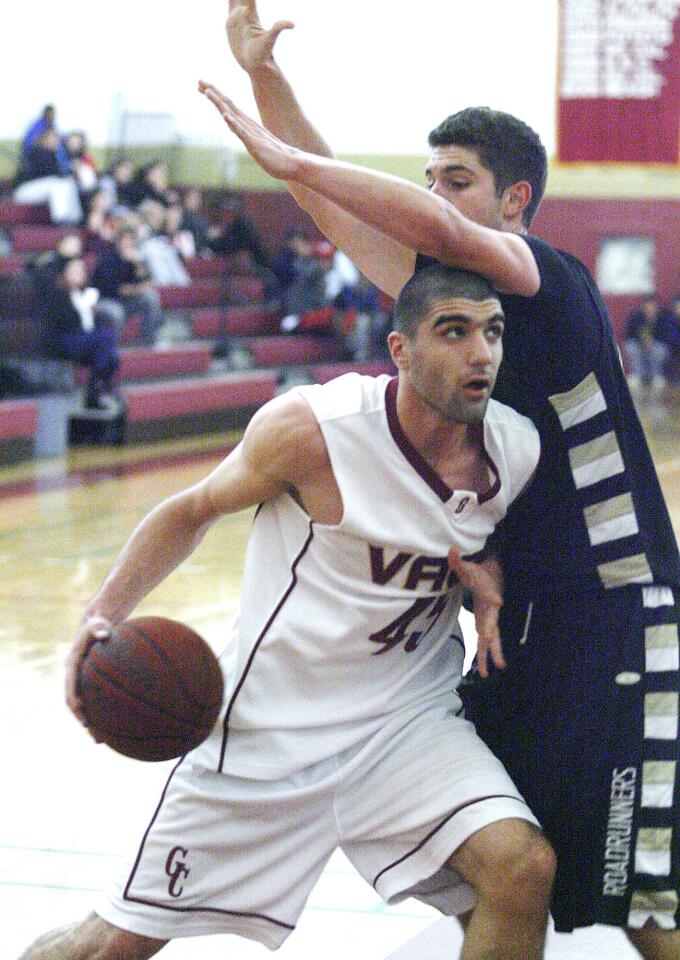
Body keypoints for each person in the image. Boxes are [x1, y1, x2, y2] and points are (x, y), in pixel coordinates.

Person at [198, 5, 680, 957]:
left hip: (617, 615)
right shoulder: (461, 305)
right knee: (510, 870)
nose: (434, 198)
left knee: (647, 897)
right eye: (429, 180)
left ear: (516, 202)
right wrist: (271, 89)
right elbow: (340, 217)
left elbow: (396, 215)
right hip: (527, 631)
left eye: (458, 183)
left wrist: (287, 158)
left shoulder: (546, 276)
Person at [17, 263, 558, 960]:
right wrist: (101, 614)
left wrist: (492, 584)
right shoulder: (313, 430)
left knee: (522, 871)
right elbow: (191, 511)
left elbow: (489, 549)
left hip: (405, 728)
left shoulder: (515, 450)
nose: (481, 353)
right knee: (105, 948)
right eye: (454, 332)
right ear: (400, 349)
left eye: (492, 333)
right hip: (266, 735)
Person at [37, 256, 122, 409]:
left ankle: (96, 391)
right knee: (108, 338)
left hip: (84, 339)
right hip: (65, 339)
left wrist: (91, 311)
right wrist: (82, 308)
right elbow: (60, 322)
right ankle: (95, 391)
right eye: (74, 270)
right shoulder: (58, 294)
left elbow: (93, 325)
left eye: (81, 270)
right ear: (65, 273)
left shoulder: (88, 294)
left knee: (113, 357)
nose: (79, 273)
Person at [91, 221, 163, 346]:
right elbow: (115, 289)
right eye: (125, 239)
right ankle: (112, 349)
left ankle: (148, 343)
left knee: (152, 298)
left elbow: (149, 282)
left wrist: (139, 264)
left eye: (131, 240)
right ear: (118, 241)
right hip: (105, 300)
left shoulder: (135, 259)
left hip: (126, 301)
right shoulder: (108, 259)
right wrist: (139, 289)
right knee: (116, 312)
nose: (128, 243)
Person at [13, 128, 83, 225]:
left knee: (69, 182)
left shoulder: (54, 154)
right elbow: (52, 172)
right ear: (44, 139)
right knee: (57, 183)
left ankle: (75, 219)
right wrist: (70, 168)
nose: (57, 141)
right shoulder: (37, 152)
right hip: (23, 191)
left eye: (57, 138)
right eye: (53, 138)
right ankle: (60, 221)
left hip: (40, 190)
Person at [623, 296, 669, 395]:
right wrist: (642, 340)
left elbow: (667, 336)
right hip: (639, 346)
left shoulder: (663, 317)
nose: (649, 309)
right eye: (647, 306)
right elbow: (628, 335)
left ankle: (656, 375)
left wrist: (654, 342)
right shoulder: (636, 317)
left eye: (652, 306)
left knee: (660, 350)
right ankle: (636, 375)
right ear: (643, 306)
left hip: (656, 346)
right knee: (631, 347)